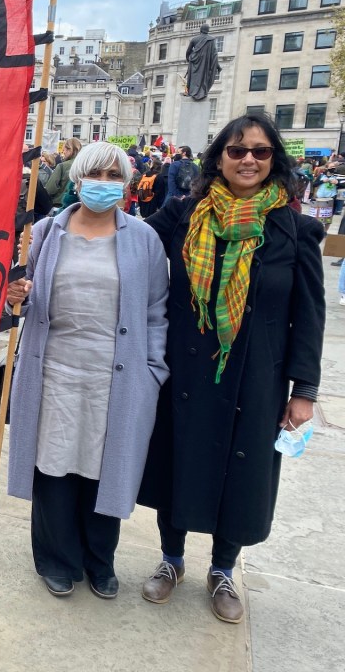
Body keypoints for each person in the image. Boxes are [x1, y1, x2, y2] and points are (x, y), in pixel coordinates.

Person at [137, 113, 324, 625]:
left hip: (257, 375)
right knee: (176, 459)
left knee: (242, 472)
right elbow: (124, 245)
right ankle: (171, 558)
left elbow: (309, 314)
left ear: (273, 161)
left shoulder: (295, 229)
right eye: (237, 150)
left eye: (260, 152)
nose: (248, 160)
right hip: (186, 367)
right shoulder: (183, 214)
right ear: (219, 156)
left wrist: (304, 389)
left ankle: (223, 569)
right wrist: (55, 238)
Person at [6, 141, 170, 599]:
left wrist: (153, 369)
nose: (102, 185)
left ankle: (100, 559)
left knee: (104, 466)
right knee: (54, 465)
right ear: (76, 180)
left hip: (116, 374)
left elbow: (157, 310)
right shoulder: (42, 233)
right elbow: (19, 295)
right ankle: (56, 558)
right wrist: (14, 294)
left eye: (112, 176)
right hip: (54, 369)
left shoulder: (144, 239)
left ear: (127, 183)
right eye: (93, 175)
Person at [185, 23, 221, 101]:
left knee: (193, 79)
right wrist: (217, 65)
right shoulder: (211, 40)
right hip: (205, 65)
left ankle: (192, 91)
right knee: (203, 78)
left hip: (194, 63)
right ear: (208, 30)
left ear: (200, 30)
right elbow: (214, 54)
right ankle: (202, 92)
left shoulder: (194, 39)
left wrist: (190, 60)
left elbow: (188, 52)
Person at [43, 138, 82, 208]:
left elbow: (50, 189)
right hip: (80, 206)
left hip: (60, 205)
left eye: (64, 150)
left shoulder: (62, 166)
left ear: (69, 150)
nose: (63, 152)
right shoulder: (86, 166)